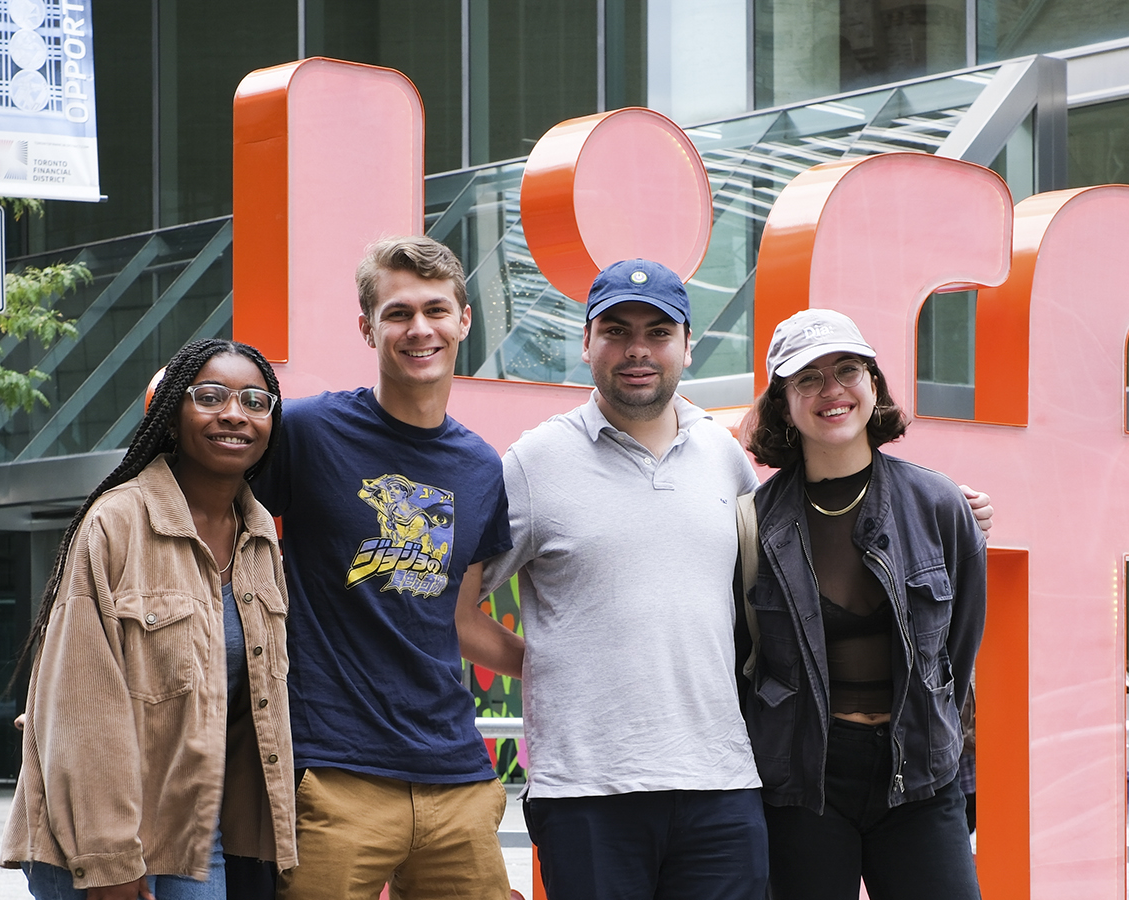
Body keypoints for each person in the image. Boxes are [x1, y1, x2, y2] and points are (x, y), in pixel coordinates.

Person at [478, 261, 991, 900]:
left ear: (687, 346)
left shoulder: (725, 460)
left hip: (752, 782)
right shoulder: (537, 462)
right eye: (616, 330)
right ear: (586, 342)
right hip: (638, 786)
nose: (638, 348)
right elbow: (453, 603)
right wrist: (550, 662)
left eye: (659, 331)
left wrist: (957, 514)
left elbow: (957, 648)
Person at [252, 236, 523, 900]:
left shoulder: (482, 468)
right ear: (369, 327)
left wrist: (567, 664)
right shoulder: (308, 433)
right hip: (337, 771)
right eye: (398, 313)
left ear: (464, 319)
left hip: (455, 775)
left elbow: (459, 617)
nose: (419, 328)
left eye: (436, 309)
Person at [0, 338, 296, 900]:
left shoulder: (260, 542)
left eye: (255, 402)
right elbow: (79, 710)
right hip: (94, 844)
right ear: (169, 414)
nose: (235, 413)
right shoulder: (115, 522)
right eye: (210, 396)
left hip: (196, 836)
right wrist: (111, 859)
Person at [741, 308, 987, 900]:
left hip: (920, 777)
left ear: (873, 385)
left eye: (846, 370)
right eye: (807, 379)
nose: (831, 391)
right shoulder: (755, 523)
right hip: (803, 780)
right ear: (783, 403)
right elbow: (742, 660)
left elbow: (959, 651)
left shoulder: (938, 504)